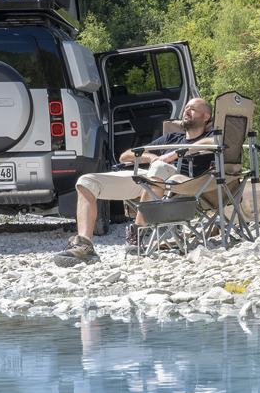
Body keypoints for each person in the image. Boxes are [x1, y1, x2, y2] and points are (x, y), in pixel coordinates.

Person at [53, 98, 215, 267]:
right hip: (152, 178)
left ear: (206, 117)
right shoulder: (171, 137)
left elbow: (216, 142)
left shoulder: (210, 136)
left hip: (183, 180)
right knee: (86, 181)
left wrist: (173, 154)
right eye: (186, 107)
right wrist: (151, 156)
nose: (187, 111)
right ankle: (84, 245)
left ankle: (136, 233)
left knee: (159, 167)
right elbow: (126, 156)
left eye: (193, 109)